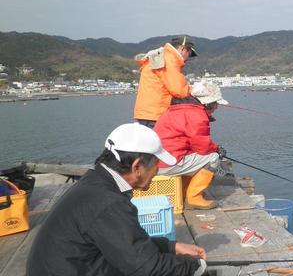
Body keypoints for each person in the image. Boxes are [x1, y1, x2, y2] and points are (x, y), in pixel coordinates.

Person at [27, 123, 209, 276]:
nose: (157, 171)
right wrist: (196, 267)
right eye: (156, 164)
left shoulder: (95, 181)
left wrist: (171, 246)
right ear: (137, 166)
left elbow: (124, 243)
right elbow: (148, 268)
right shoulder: (108, 203)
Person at [154, 81, 228, 210]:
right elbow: (203, 147)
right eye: (215, 103)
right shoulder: (196, 114)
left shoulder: (175, 109)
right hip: (168, 164)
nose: (216, 106)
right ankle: (194, 198)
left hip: (155, 163)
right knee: (213, 158)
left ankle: (184, 193)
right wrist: (216, 149)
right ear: (207, 102)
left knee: (196, 157)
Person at [134, 36, 198, 128]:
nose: (188, 58)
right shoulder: (170, 60)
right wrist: (197, 90)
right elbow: (179, 90)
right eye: (189, 53)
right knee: (161, 141)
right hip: (155, 114)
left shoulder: (161, 56)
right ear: (182, 49)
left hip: (146, 112)